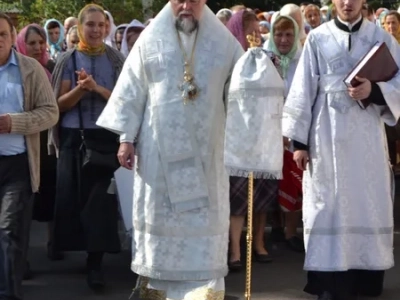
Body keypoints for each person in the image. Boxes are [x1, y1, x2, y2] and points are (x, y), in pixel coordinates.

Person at [96, 0, 243, 298]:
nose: (186, 6)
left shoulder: (224, 43)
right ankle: (156, 290)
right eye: (179, 0)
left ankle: (205, 291)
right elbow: (133, 90)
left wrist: (260, 70)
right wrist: (126, 137)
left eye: (194, 1)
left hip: (207, 155)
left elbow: (242, 90)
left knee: (203, 226)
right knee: (161, 228)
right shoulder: (150, 39)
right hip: (158, 156)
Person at [282, 0, 400, 298]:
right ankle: (327, 281)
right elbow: (303, 88)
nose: (347, 2)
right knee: (327, 204)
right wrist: (299, 142)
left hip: (367, 140)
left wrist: (374, 91)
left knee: (367, 201)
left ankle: (366, 278)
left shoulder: (381, 38)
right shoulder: (318, 38)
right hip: (325, 136)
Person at [50, 4, 125, 290]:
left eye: (100, 25)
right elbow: (57, 105)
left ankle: (96, 264)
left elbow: (123, 101)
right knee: (73, 199)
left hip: (105, 139)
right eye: (90, 25)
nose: (95, 30)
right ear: (80, 28)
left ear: (107, 28)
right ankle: (66, 247)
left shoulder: (116, 59)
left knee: (100, 204)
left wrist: (97, 89)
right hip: (74, 137)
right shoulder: (68, 58)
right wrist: (81, 89)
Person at [0, 13, 59, 300]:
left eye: (2, 34)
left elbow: (50, 112)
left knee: (8, 230)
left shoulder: (30, 69)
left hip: (18, 166)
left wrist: (14, 123)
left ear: (13, 37)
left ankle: (9, 294)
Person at [226, 10, 275, 271]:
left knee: (262, 196)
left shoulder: (266, 58)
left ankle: (258, 243)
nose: (255, 36)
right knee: (238, 198)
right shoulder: (228, 58)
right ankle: (235, 250)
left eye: (258, 31)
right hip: (236, 137)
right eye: (250, 32)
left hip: (262, 136)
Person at [265, 15, 305, 253]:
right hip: (268, 130)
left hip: (292, 131)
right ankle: (275, 228)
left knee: (292, 181)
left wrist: (290, 130)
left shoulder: (302, 60)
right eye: (278, 34)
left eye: (289, 34)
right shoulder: (265, 59)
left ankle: (291, 231)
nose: (283, 39)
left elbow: (302, 97)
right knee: (271, 182)